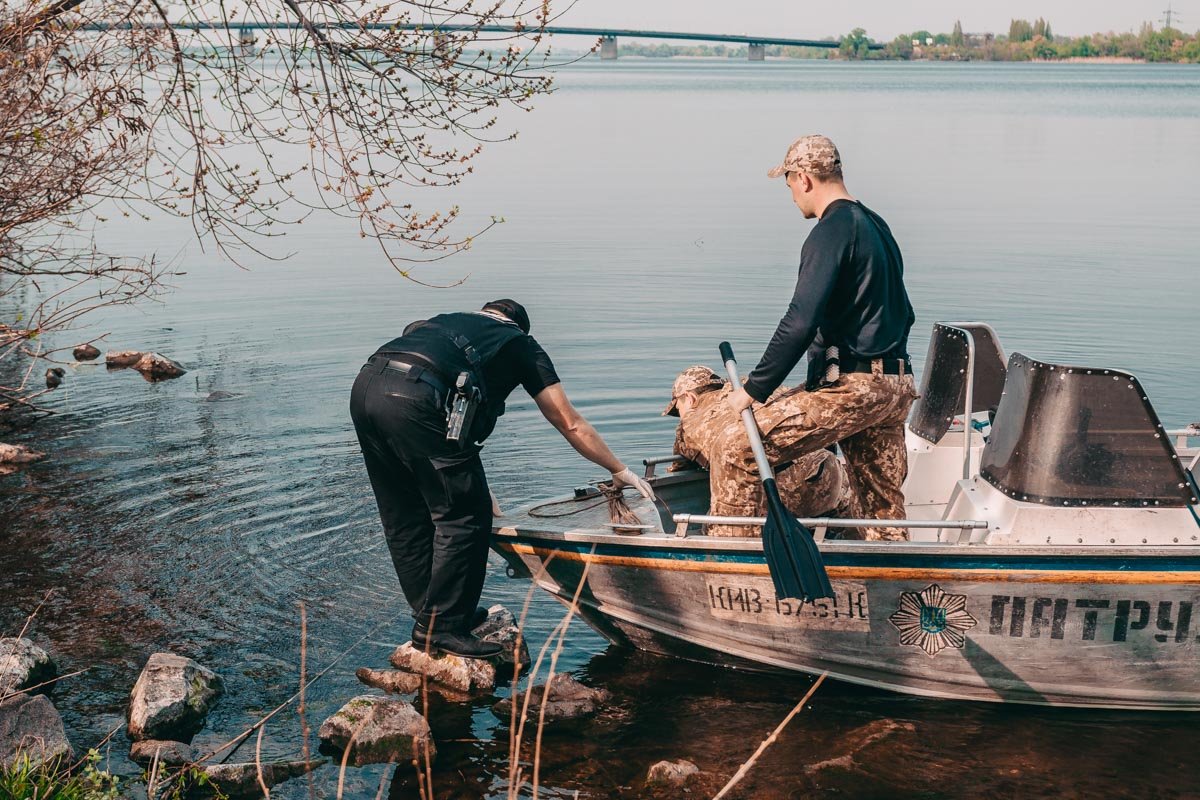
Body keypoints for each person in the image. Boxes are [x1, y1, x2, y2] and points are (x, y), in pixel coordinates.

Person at [351, 299, 654, 657]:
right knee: (464, 518)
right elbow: (569, 421)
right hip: (416, 401)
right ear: (520, 326)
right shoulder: (520, 344)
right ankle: (441, 627)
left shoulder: (446, 322)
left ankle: (433, 614)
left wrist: (477, 483)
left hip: (366, 387)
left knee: (403, 514)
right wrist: (619, 470)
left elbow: (447, 407)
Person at [726, 135, 918, 541]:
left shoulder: (830, 231)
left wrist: (755, 388)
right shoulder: (876, 225)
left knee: (737, 446)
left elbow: (800, 320)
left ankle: (728, 560)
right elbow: (906, 312)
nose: (792, 195)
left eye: (789, 184)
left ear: (805, 178)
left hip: (856, 389)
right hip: (896, 384)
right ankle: (895, 592)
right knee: (881, 509)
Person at [665, 366, 847, 537]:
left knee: (710, 525)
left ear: (690, 398)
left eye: (678, 409)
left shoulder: (689, 423)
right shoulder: (749, 390)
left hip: (783, 494)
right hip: (828, 470)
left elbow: (680, 468)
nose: (680, 416)